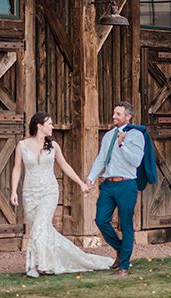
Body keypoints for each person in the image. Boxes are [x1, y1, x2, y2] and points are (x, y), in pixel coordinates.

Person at [10, 112, 113, 278]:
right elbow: (17, 169)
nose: (52, 126)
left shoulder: (54, 146)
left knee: (40, 226)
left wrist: (80, 183)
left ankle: (36, 266)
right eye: (49, 123)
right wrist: (14, 190)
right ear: (39, 126)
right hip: (29, 193)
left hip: (49, 191)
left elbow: (65, 166)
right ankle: (60, 260)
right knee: (42, 230)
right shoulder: (22, 145)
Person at [86, 101, 146, 276]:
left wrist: (122, 144)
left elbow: (135, 161)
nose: (114, 116)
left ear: (128, 116)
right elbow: (101, 159)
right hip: (108, 185)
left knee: (126, 224)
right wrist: (90, 178)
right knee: (100, 220)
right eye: (114, 113)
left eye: (118, 114)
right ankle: (121, 250)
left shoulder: (135, 135)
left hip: (127, 184)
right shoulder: (108, 135)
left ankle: (124, 266)